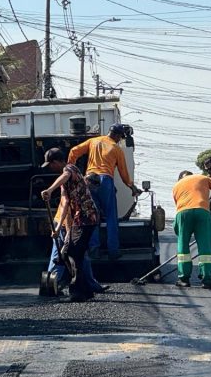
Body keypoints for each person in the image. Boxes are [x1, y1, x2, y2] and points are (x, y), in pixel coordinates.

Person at [68, 124, 141, 260]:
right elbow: (123, 173)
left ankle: (94, 250)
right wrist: (131, 187)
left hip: (89, 180)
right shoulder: (116, 149)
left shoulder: (93, 141)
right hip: (105, 181)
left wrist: (70, 172)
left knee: (92, 217)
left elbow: (73, 151)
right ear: (118, 136)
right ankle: (113, 251)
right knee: (111, 217)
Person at [41, 148, 99, 302]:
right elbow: (65, 204)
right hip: (79, 220)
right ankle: (85, 291)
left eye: (51, 164)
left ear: (58, 162)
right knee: (72, 254)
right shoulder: (64, 184)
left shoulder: (70, 169)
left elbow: (65, 175)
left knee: (71, 253)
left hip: (87, 217)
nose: (50, 167)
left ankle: (78, 292)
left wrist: (49, 189)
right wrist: (59, 228)